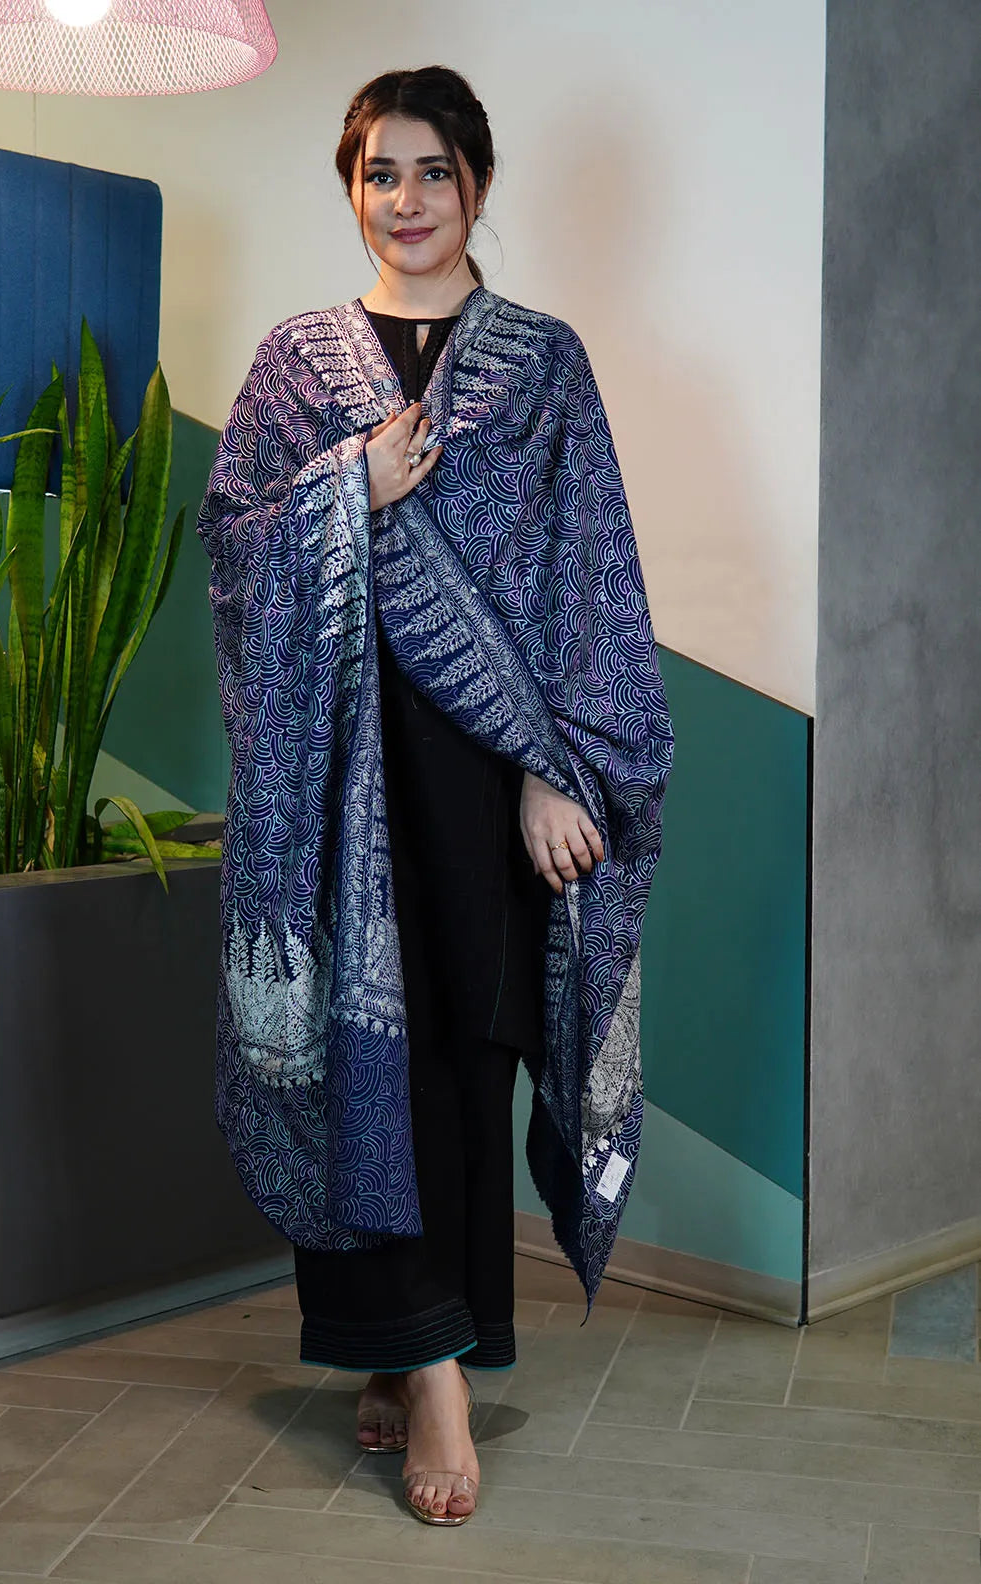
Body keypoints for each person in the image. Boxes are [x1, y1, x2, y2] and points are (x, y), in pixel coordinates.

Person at [196, 65, 673, 1528]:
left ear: (477, 183)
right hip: (338, 771)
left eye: (431, 173)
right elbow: (234, 553)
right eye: (377, 174)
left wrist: (547, 770)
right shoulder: (295, 365)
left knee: (468, 1053)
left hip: (484, 784)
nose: (403, 202)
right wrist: (352, 487)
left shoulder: (543, 367)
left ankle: (421, 1350)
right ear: (351, 189)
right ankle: (429, 1374)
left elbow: (589, 585)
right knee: (363, 1060)